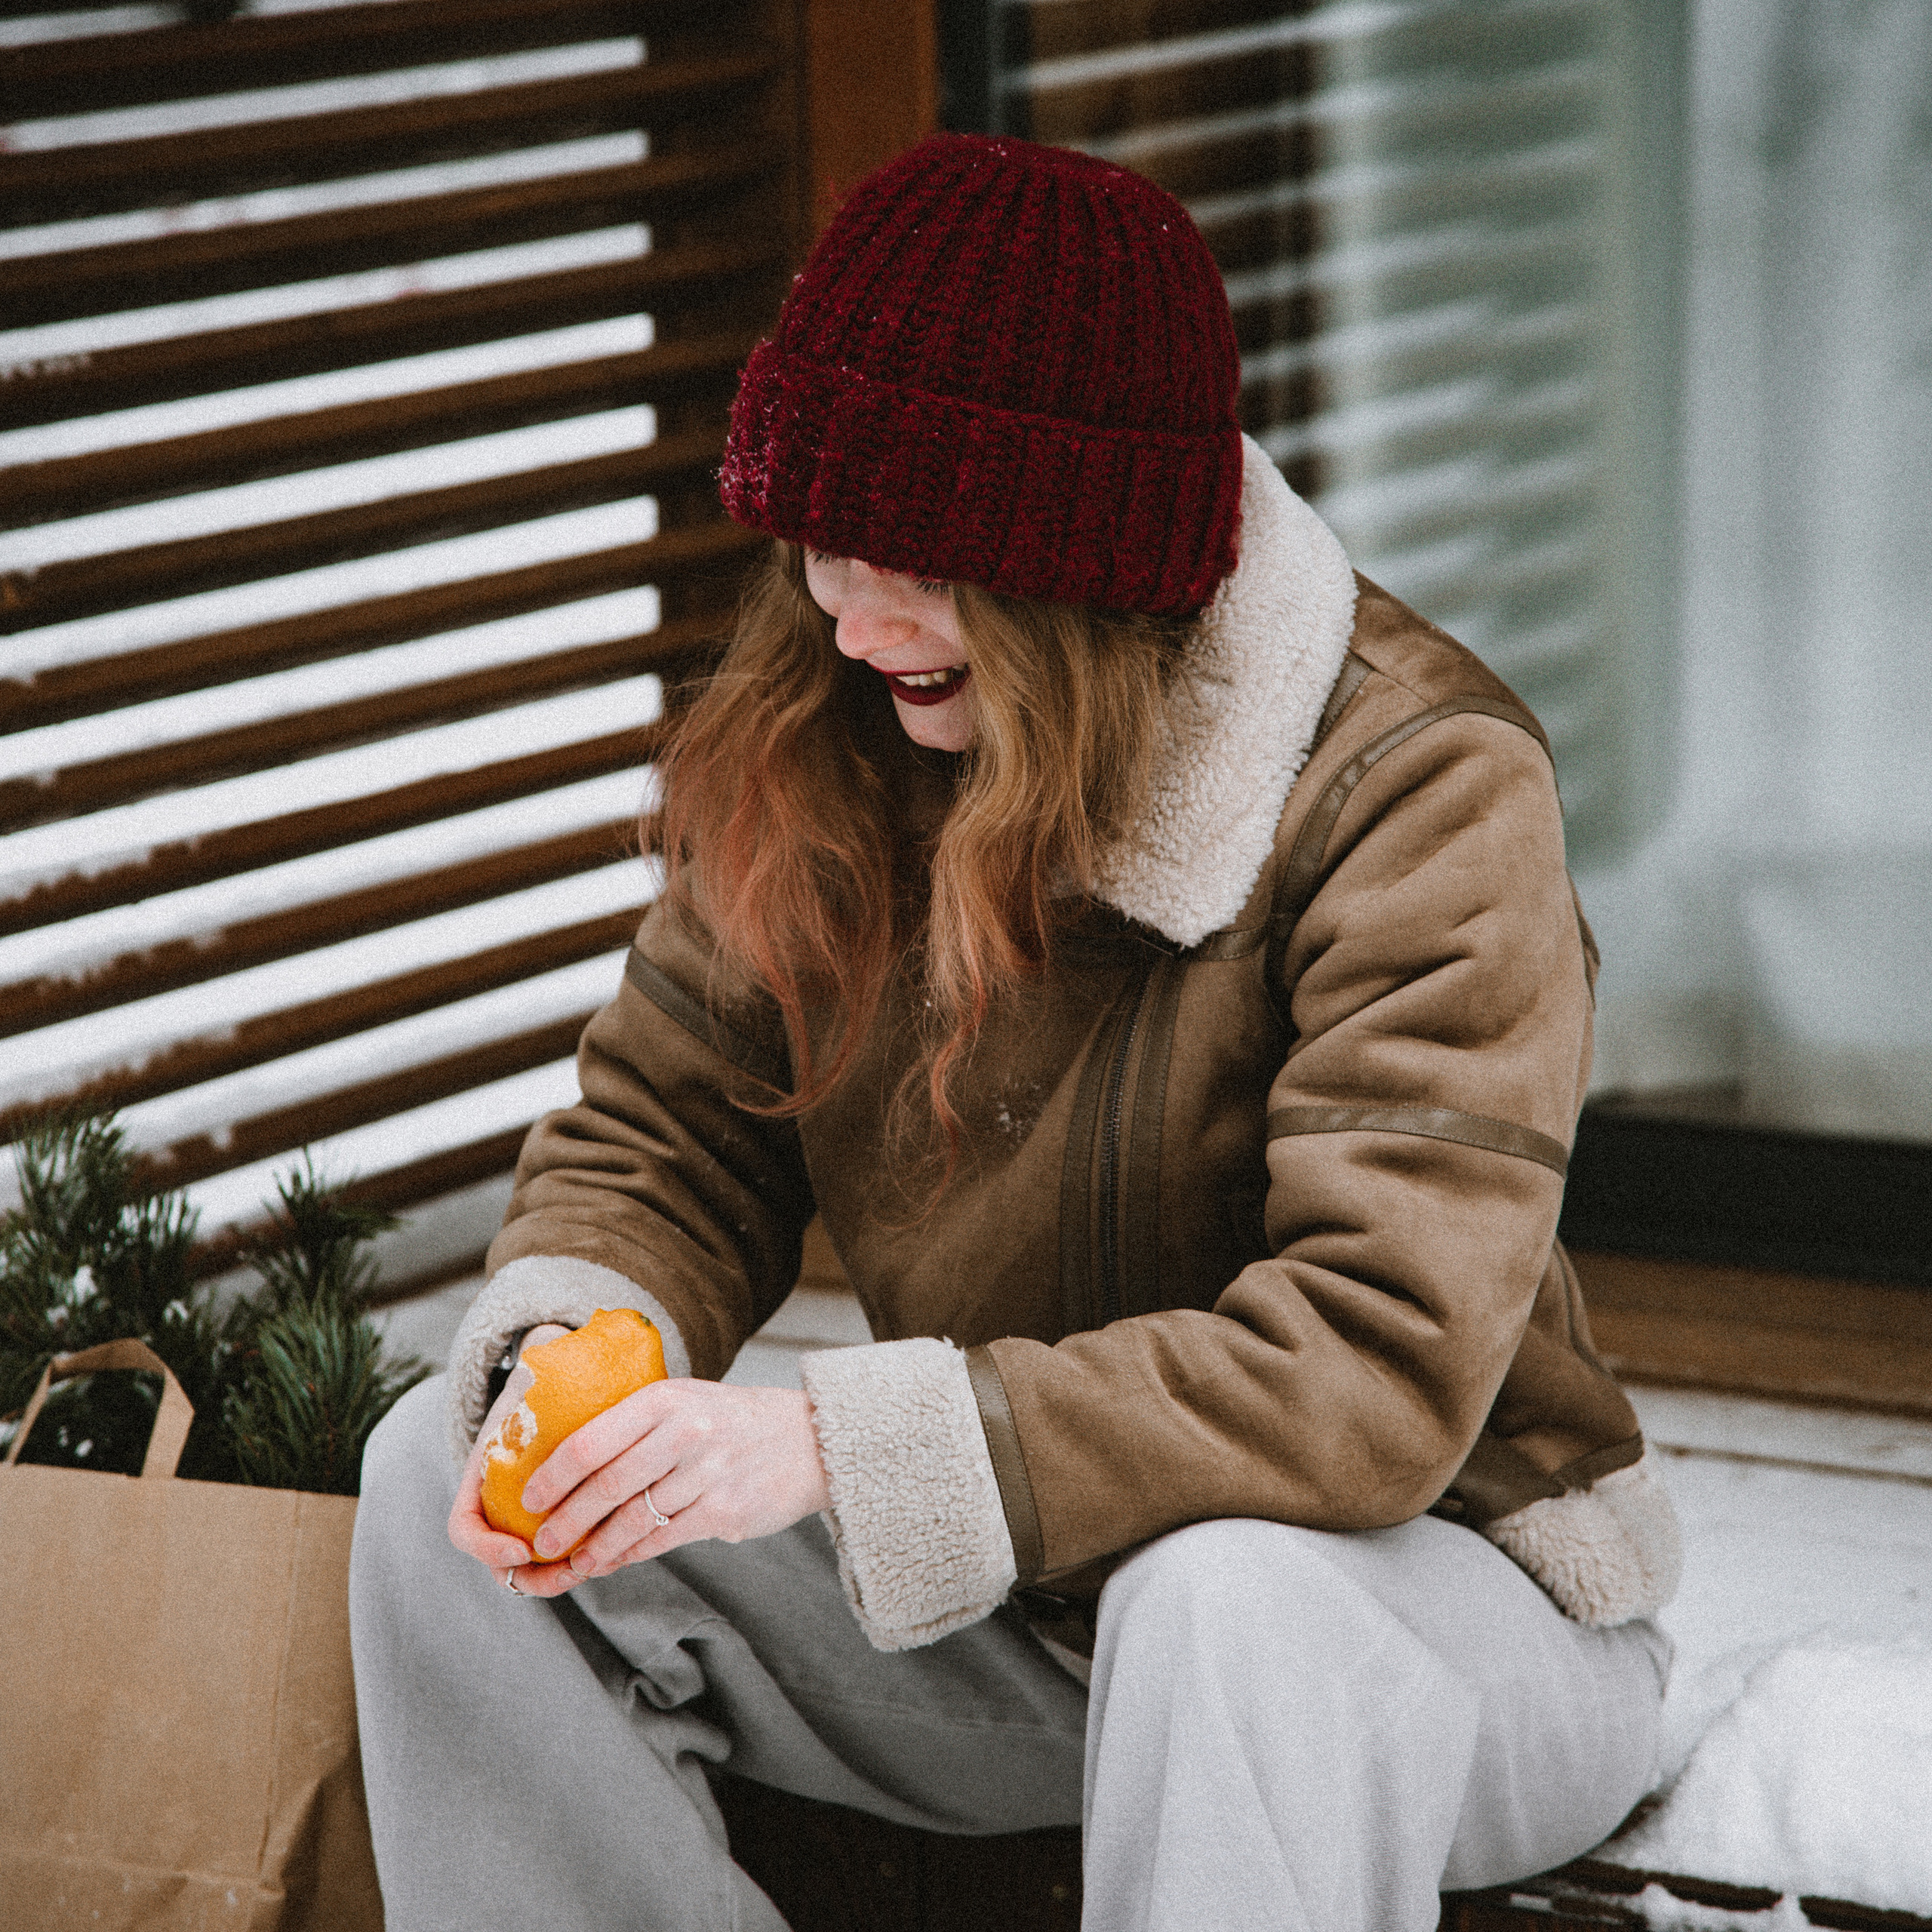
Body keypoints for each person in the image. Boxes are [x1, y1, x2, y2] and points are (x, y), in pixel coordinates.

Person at [349, 134, 1681, 1932]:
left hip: (1423, 1619)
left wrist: (834, 1442)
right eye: (825, 533)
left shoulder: (1415, 789)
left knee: (1223, 1598)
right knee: (443, 1470)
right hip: (1024, 1611)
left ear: (1082, 567)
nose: (846, 604)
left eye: (917, 556)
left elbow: (1370, 1375)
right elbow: (665, 1132)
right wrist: (579, 1350)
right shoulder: (846, 723)